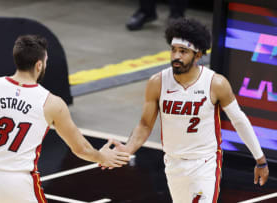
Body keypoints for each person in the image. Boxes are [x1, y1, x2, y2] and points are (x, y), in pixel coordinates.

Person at [0, 34, 130, 203]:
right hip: (18, 181)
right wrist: (102, 157)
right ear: (39, 65)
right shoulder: (52, 103)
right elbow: (80, 149)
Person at [114, 18, 269, 202]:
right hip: (173, 163)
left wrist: (260, 159)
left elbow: (239, 120)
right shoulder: (157, 82)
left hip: (203, 164)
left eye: (183, 51)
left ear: (198, 55)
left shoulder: (215, 83)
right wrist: (128, 148)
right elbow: (145, 124)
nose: (176, 56)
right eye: (173, 50)